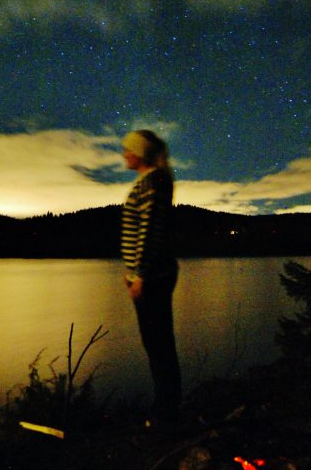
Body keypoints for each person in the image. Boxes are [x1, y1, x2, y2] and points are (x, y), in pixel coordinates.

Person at [120, 129, 181, 427]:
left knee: (158, 344)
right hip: (147, 274)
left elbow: (150, 232)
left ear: (140, 152)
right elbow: (139, 234)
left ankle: (167, 413)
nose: (123, 154)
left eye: (128, 149)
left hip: (154, 276)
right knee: (155, 343)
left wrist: (141, 274)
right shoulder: (148, 181)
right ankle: (165, 408)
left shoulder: (155, 180)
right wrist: (130, 272)